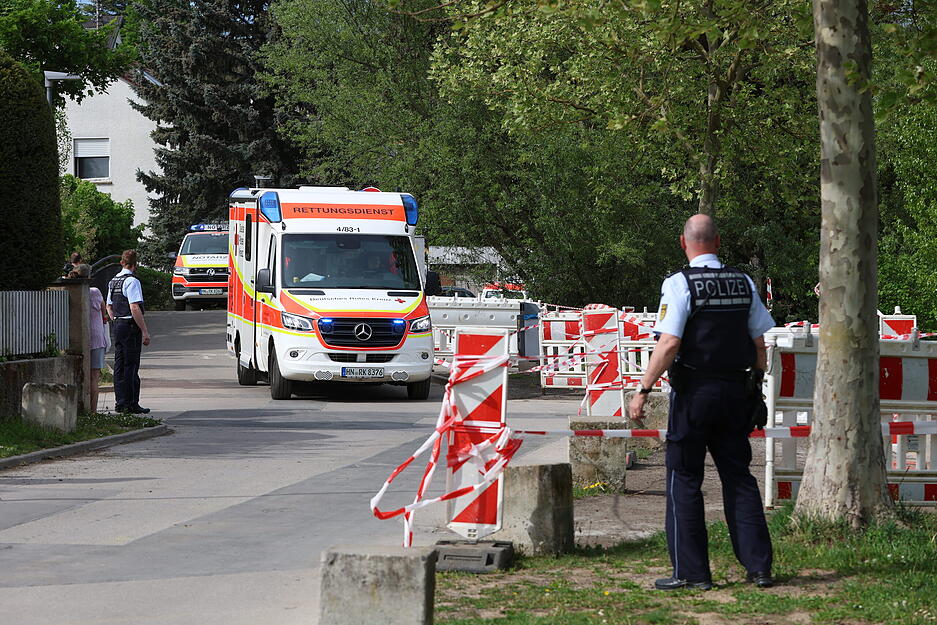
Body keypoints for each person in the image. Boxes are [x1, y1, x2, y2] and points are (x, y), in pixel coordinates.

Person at [628, 214, 775, 591]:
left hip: (694, 395)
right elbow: (760, 343)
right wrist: (756, 389)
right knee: (739, 478)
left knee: (684, 479)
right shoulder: (743, 282)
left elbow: (670, 343)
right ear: (718, 242)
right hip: (735, 394)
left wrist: (643, 389)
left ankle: (693, 573)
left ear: (683, 242)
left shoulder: (679, 284)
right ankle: (759, 568)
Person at [106, 250, 151, 414]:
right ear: (135, 265)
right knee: (131, 365)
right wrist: (144, 331)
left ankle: (120, 402)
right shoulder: (132, 281)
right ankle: (131, 403)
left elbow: (108, 306)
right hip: (130, 325)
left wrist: (115, 320)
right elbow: (134, 307)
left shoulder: (113, 281)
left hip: (118, 325)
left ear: (121, 263)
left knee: (119, 365)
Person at [73, 264, 109, 413]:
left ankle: (81, 408)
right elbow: (104, 313)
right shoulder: (95, 292)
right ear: (89, 277)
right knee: (94, 376)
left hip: (80, 337)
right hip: (97, 337)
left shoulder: (75, 292)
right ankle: (93, 411)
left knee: (82, 374)